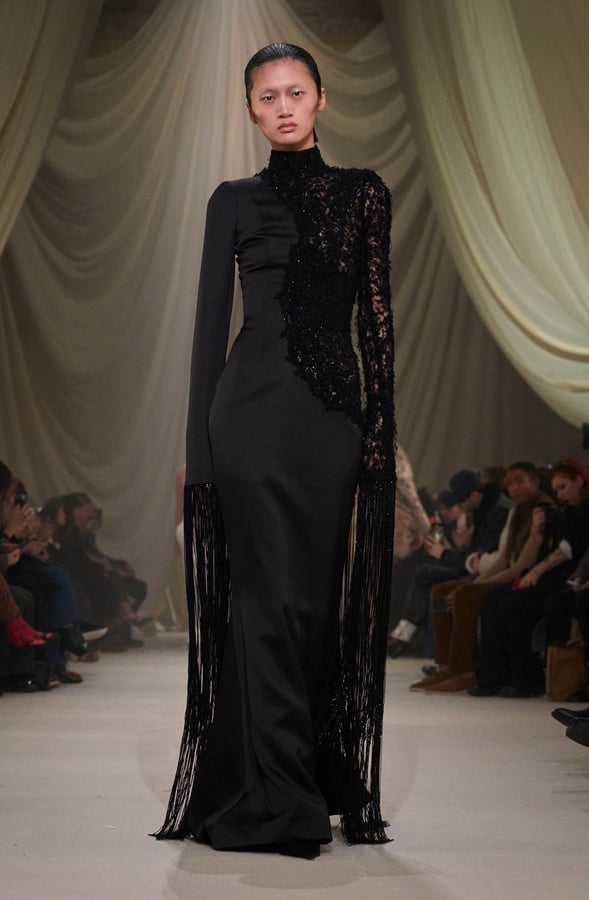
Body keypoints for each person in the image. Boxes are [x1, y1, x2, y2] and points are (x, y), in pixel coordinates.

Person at [153, 44, 396, 860]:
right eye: (267, 97)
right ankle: (277, 795)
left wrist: (378, 435)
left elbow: (377, 324)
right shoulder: (233, 200)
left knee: (316, 605)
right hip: (249, 420)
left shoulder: (365, 194)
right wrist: (201, 457)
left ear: (322, 98)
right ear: (251, 110)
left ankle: (305, 775)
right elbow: (206, 331)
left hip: (330, 427)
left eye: (295, 92)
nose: (283, 107)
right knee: (263, 602)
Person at [410, 462, 552, 692]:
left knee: (465, 595)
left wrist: (475, 582)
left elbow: (521, 565)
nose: (514, 488)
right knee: (441, 592)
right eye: (510, 483)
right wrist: (476, 581)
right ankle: (446, 666)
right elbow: (503, 558)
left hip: (526, 577)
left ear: (535, 482)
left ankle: (463, 669)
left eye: (520, 481)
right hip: (501, 572)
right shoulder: (515, 511)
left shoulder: (539, 511)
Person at [469, 459, 589, 698]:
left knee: (512, 604)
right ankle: (496, 675)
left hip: (566, 577)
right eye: (557, 489)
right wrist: (538, 535)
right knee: (493, 600)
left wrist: (536, 571)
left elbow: (569, 549)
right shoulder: (560, 511)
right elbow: (550, 550)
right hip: (556, 575)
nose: (560, 494)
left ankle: (527, 678)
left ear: (579, 481)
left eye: (563, 487)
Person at [387, 467, 511, 656]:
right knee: (424, 574)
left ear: (475, 495)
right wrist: (456, 548)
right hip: (474, 566)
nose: (460, 507)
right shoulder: (484, 509)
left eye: (461, 502)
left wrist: (445, 553)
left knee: (429, 580)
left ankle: (410, 641)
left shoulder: (496, 512)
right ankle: (406, 639)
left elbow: (480, 559)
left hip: (489, 571)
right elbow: (474, 554)